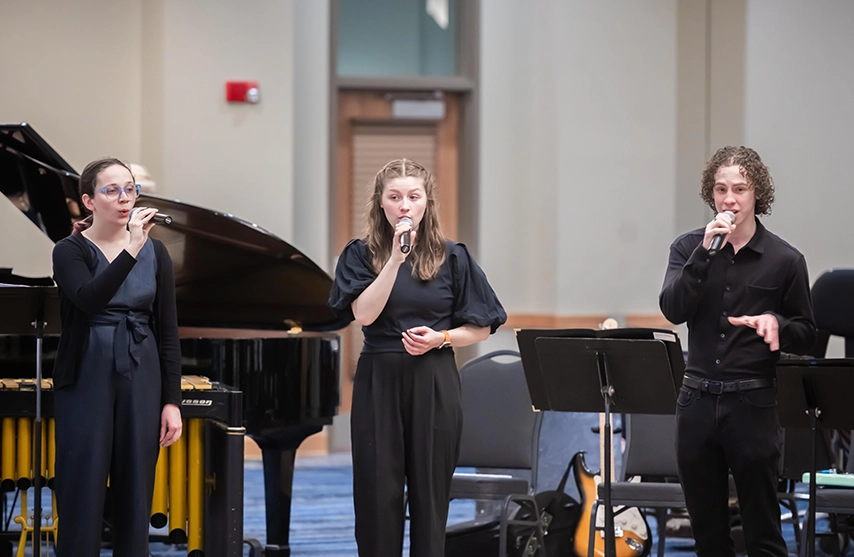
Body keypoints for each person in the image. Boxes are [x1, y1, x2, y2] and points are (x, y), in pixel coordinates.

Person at [328, 158, 506, 557]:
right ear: (381, 203)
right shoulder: (359, 255)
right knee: (378, 493)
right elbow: (363, 314)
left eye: (413, 196)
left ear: (427, 203)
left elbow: (480, 326)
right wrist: (394, 259)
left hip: (434, 377)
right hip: (379, 379)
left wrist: (441, 337)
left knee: (430, 492)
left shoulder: (452, 256)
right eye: (395, 197)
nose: (404, 205)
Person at [659, 146, 816, 557]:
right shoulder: (688, 248)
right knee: (708, 536)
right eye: (721, 189)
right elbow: (672, 309)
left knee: (763, 534)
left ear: (756, 195)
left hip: (754, 402)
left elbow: (807, 333)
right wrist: (704, 254)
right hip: (695, 400)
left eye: (740, 190)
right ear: (711, 195)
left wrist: (776, 325)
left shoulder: (785, 259)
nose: (729, 200)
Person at [51, 157, 183, 556]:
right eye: (112, 190)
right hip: (85, 373)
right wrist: (130, 248)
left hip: (141, 372)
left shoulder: (156, 253)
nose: (125, 199)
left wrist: (171, 401)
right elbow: (90, 300)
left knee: (136, 489)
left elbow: (168, 330)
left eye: (131, 189)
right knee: (82, 486)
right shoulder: (69, 250)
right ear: (89, 202)